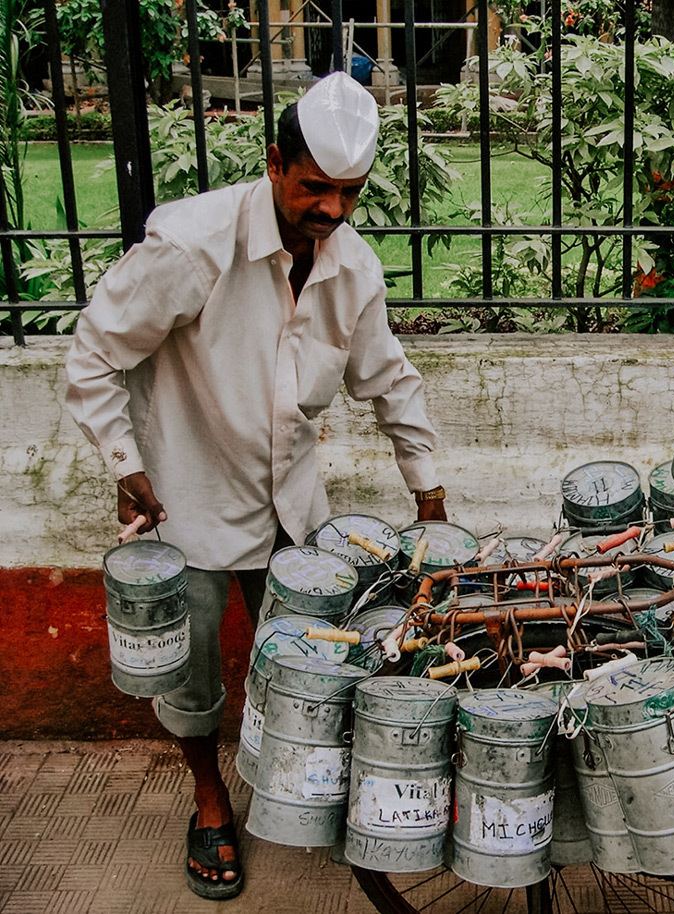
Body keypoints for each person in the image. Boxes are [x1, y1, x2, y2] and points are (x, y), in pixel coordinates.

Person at [65, 71, 446, 901]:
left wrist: (430, 494)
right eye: (316, 188)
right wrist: (126, 466)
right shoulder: (191, 246)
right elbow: (95, 354)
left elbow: (389, 380)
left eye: (350, 193)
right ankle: (208, 801)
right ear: (275, 162)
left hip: (292, 510)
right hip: (189, 503)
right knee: (193, 674)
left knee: (313, 666)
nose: (333, 212)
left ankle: (302, 795)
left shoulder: (352, 268)